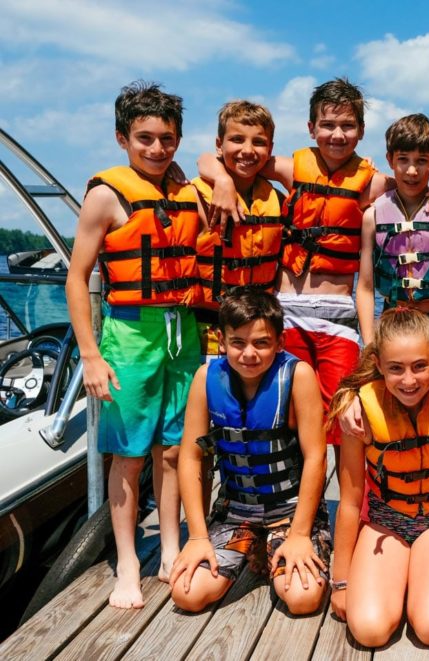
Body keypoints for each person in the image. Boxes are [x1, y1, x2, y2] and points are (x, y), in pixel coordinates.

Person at [65, 81, 203, 609]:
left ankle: (168, 547)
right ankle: (127, 561)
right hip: (128, 332)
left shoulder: (185, 187)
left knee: (173, 449)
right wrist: (91, 355)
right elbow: (77, 279)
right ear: (123, 138)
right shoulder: (106, 195)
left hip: (181, 331)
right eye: (144, 138)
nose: (156, 149)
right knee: (128, 456)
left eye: (166, 139)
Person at [198, 79, 389, 457]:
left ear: (362, 132)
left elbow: (418, 184)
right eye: (328, 125)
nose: (337, 135)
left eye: (348, 126)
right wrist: (220, 178)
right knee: (287, 417)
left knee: (346, 416)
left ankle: (349, 511)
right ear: (311, 128)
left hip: (337, 317)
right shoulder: (288, 169)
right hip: (288, 311)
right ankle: (302, 505)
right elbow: (212, 158)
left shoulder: (373, 183)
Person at [169, 289, 330, 615]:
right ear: (221, 340)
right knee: (187, 594)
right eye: (238, 342)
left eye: (261, 343)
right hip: (235, 511)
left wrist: (299, 534)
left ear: (280, 341)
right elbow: (190, 457)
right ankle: (255, 543)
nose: (249, 354)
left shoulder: (298, 376)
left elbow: (316, 457)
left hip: (290, 512)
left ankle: (284, 543)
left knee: (302, 598)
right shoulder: (205, 378)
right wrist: (198, 537)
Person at [329, 308, 429, 647]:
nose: (409, 380)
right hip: (384, 522)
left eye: (420, 366)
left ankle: (423, 571)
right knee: (368, 630)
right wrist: (341, 581)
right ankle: (399, 575)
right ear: (378, 365)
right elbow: (348, 501)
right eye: (396, 368)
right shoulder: (359, 409)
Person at [357, 114, 429, 351]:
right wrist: (369, 344)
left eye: (421, 161)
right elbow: (365, 287)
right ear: (390, 159)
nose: (411, 170)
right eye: (403, 159)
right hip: (394, 325)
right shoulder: (373, 215)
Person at [190, 101, 285, 358]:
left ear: (270, 148)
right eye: (237, 139)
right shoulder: (195, 197)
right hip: (206, 329)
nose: (247, 150)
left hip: (259, 332)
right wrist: (220, 178)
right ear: (219, 145)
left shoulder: (277, 199)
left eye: (258, 142)